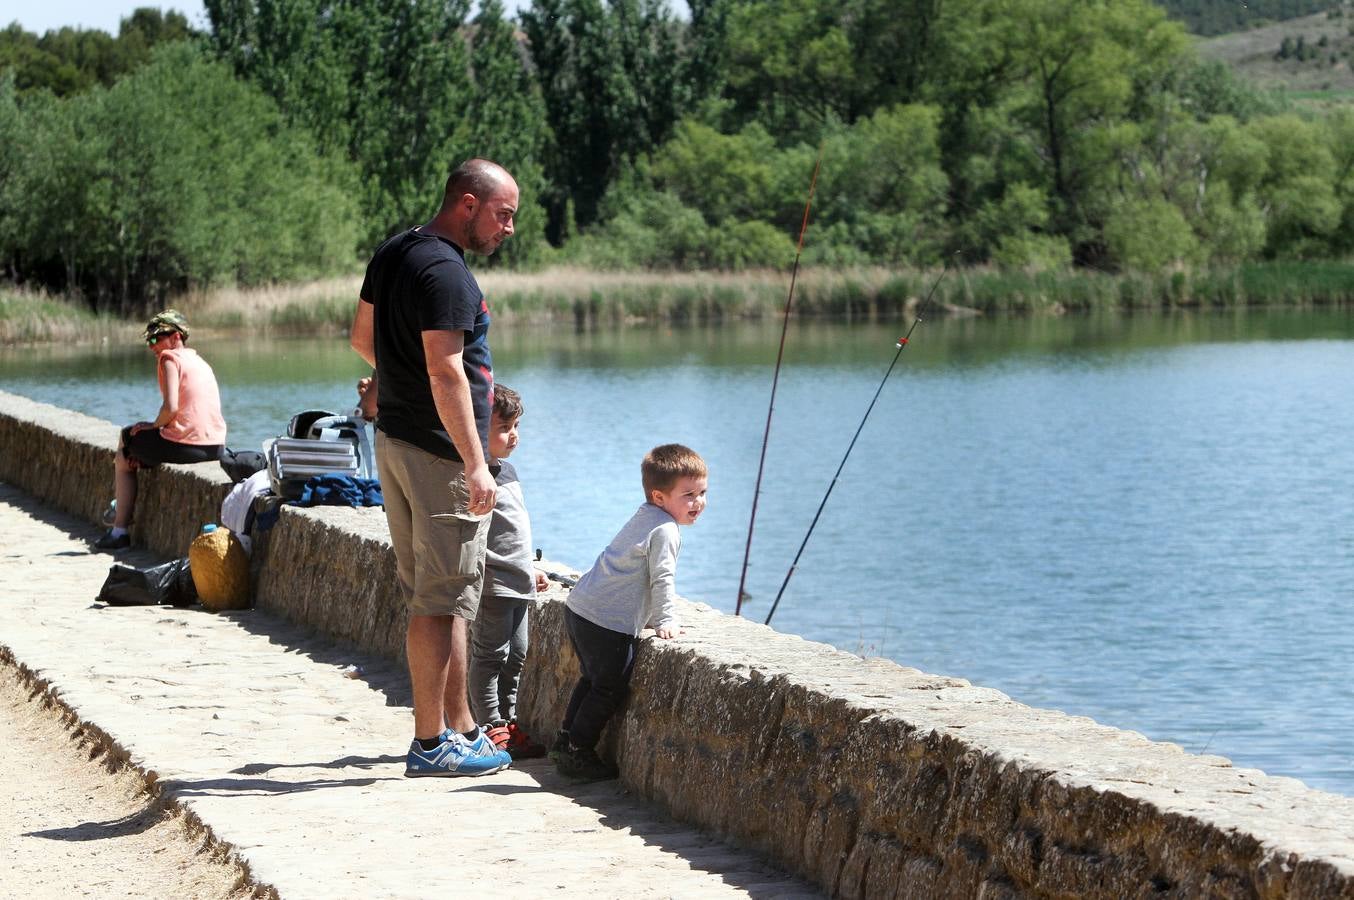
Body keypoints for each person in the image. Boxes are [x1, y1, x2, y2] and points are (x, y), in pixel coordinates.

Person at [349, 158, 518, 778]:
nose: (509, 228)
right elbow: (447, 371)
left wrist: (399, 381)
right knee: (440, 598)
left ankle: (461, 727)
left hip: (396, 440)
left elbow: (362, 338)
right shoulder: (447, 272)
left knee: (444, 595)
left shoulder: (397, 251)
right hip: (438, 453)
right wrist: (477, 464)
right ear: (468, 204)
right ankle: (429, 742)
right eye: (504, 214)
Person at [552, 444, 707, 782]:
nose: (699, 502)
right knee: (609, 687)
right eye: (689, 495)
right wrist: (665, 619)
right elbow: (661, 576)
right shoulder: (665, 529)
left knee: (592, 679)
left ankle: (566, 740)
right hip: (607, 621)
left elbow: (634, 572)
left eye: (702, 492)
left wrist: (648, 616)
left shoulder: (645, 516)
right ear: (660, 496)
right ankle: (578, 751)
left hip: (582, 609)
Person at [95, 310, 227, 551]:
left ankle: (119, 530)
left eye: (156, 338)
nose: (152, 346)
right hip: (215, 448)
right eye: (149, 341)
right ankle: (121, 504)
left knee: (126, 441)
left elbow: (171, 408)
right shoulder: (200, 361)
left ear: (176, 336)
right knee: (139, 444)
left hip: (187, 448)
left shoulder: (169, 358)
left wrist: (152, 426)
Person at [468, 384, 550, 759]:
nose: (513, 435)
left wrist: (529, 567)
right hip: (492, 583)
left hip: (518, 580)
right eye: (504, 427)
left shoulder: (508, 470)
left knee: (517, 655)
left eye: (516, 426)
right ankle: (488, 727)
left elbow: (514, 531)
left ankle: (508, 722)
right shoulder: (473, 475)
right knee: (490, 656)